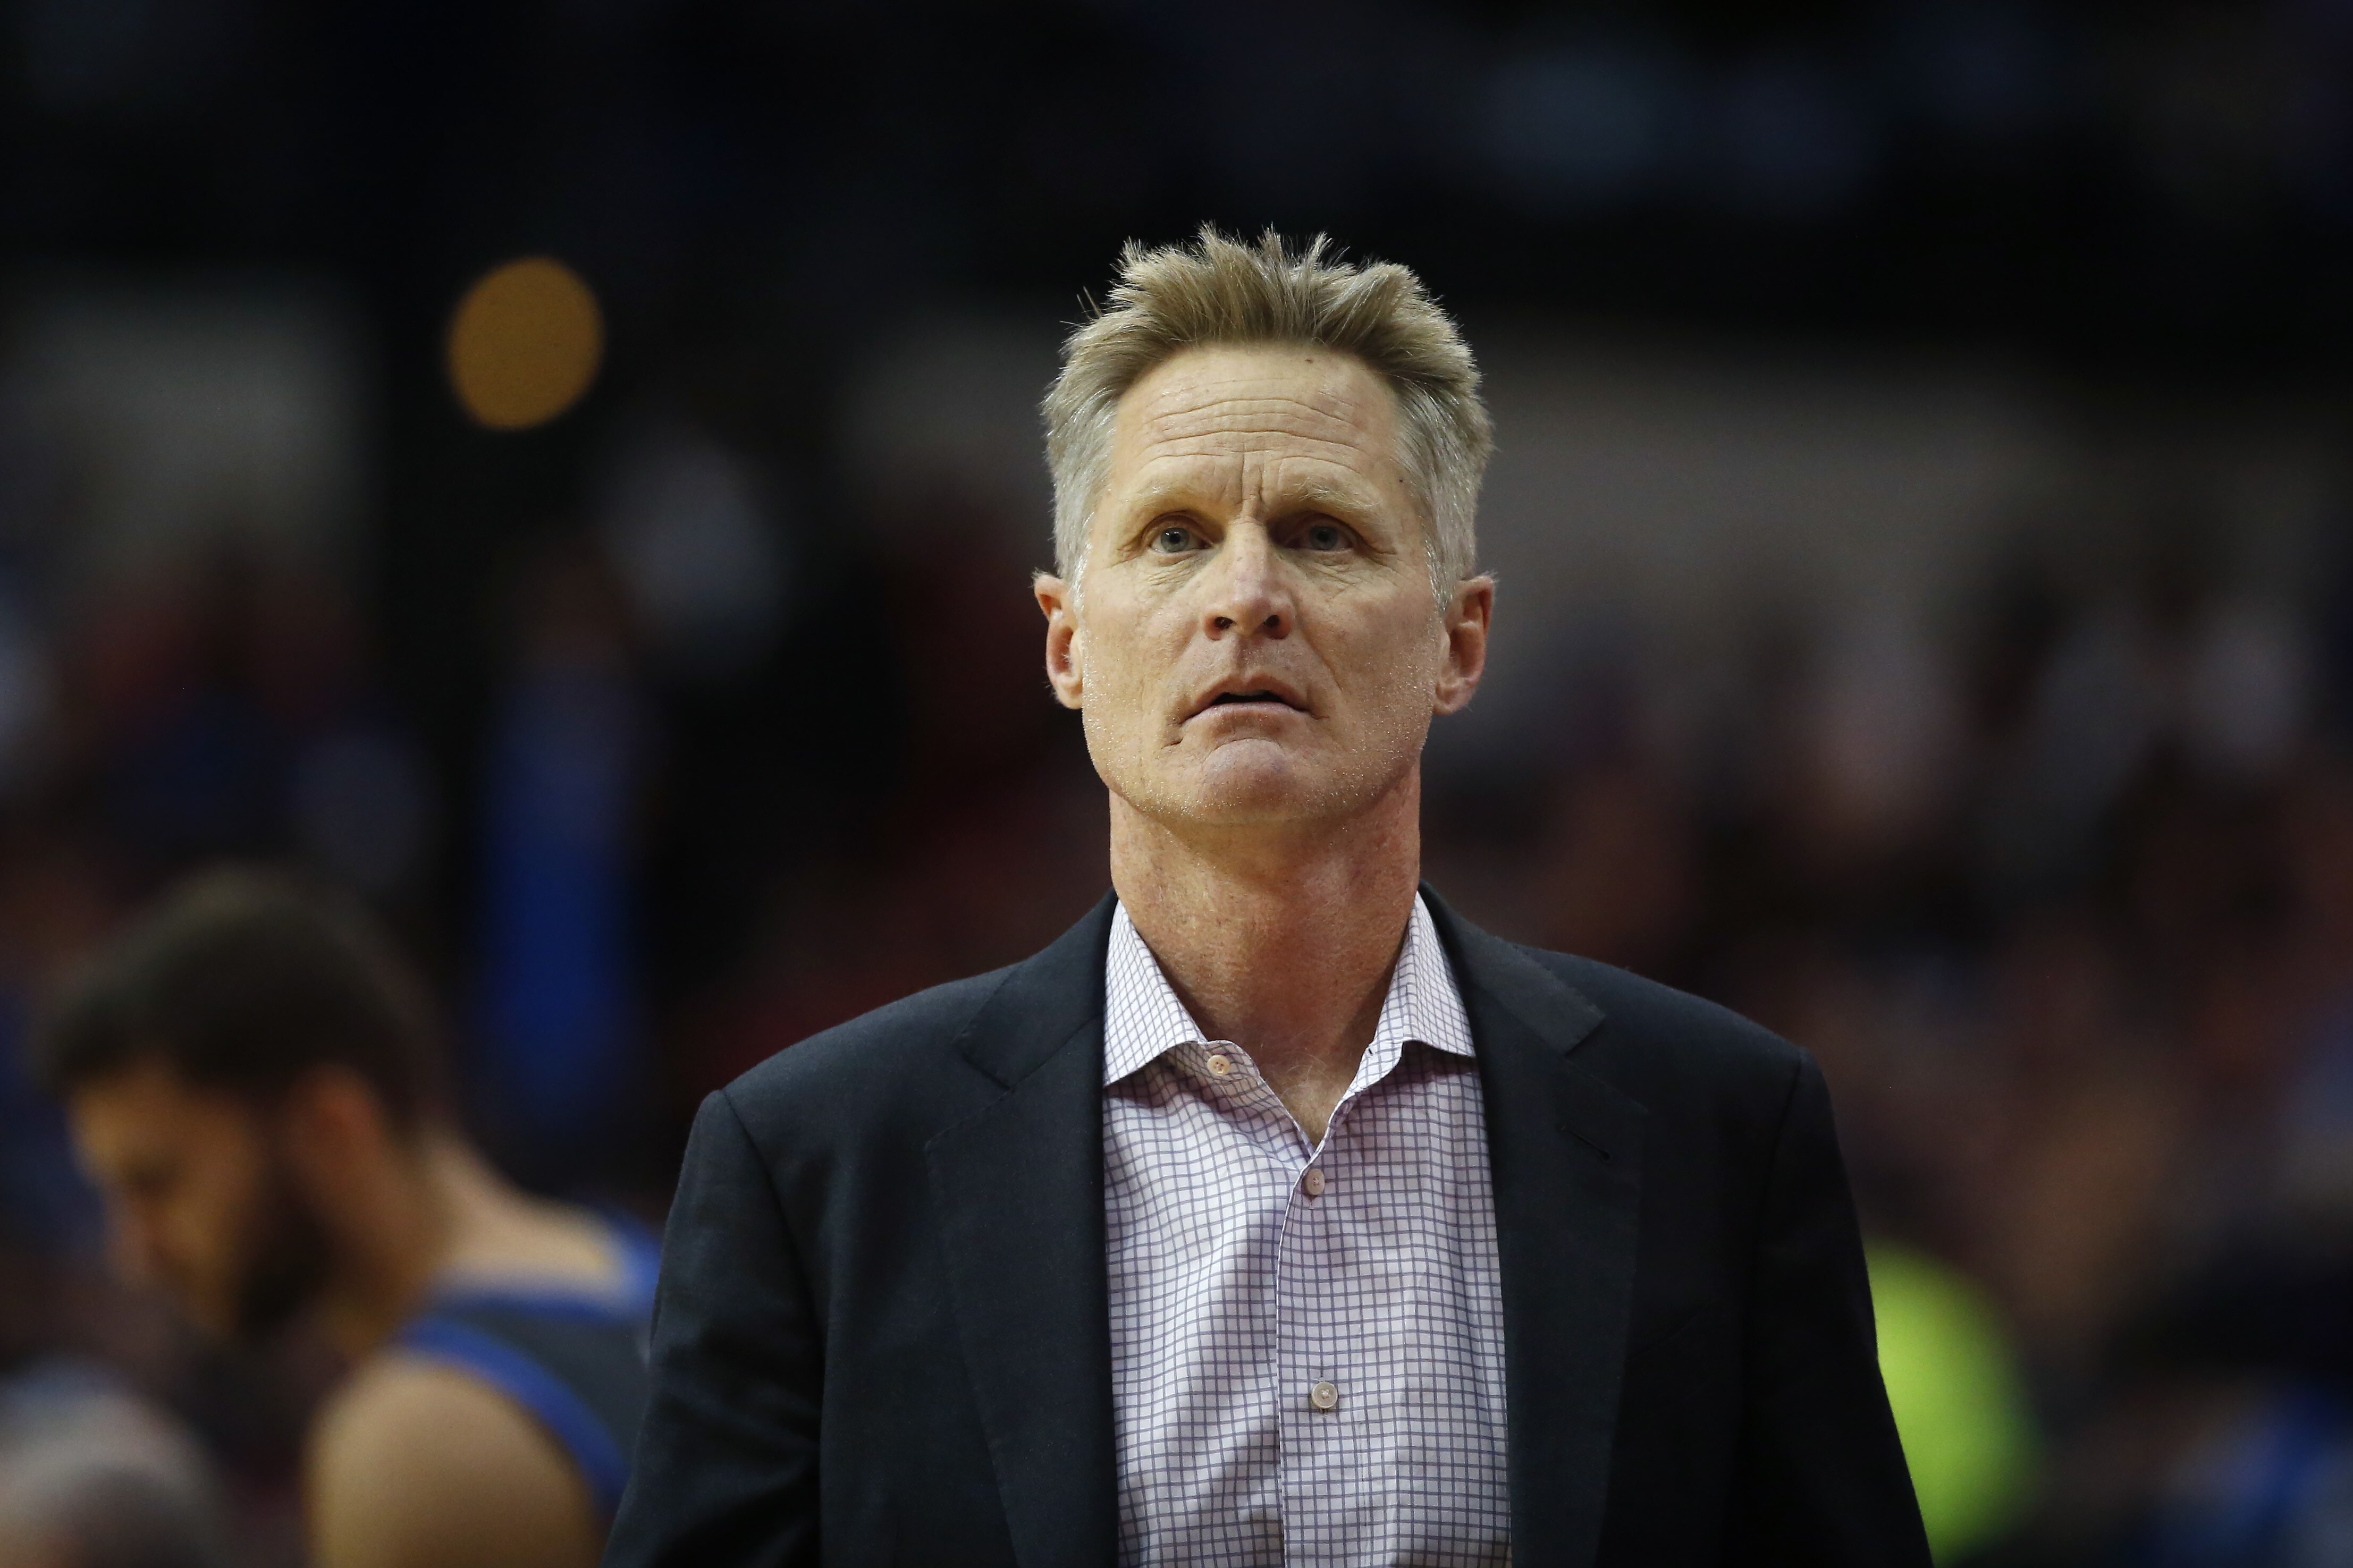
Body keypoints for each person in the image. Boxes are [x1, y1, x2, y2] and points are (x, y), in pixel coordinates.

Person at [606, 229, 1931, 1567]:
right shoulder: (809, 1165)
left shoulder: (1721, 1131)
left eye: (1324, 533)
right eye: (1175, 535)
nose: (1246, 597)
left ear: (1459, 643)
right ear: (1068, 644)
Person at [35, 870, 660, 1568]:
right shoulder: (656, 1276)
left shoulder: (421, 1447)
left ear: (331, 1127)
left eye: (159, 1184)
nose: (134, 1251)